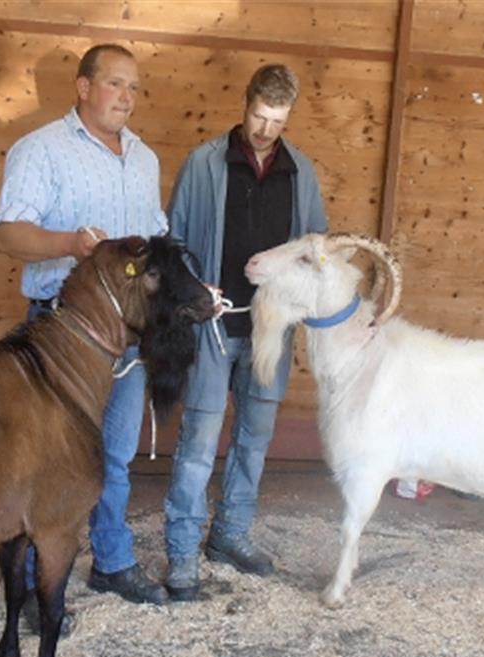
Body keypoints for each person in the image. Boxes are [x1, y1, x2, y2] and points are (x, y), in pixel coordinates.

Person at [0, 44, 171, 629]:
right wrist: (71, 244)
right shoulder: (41, 150)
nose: (127, 97)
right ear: (83, 87)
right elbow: (9, 234)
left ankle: (112, 562)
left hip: (126, 338)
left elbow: (155, 241)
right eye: (116, 84)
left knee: (112, 455)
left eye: (135, 88)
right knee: (47, 460)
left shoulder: (143, 159)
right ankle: (28, 582)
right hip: (61, 333)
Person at [162, 64, 328, 601]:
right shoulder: (205, 164)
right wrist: (194, 295)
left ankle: (230, 535)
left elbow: (315, 249)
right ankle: (183, 555)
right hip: (213, 327)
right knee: (198, 445)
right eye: (259, 116)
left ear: (288, 117)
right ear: (246, 103)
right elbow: (176, 244)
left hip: (268, 332)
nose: (265, 129)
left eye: (277, 121)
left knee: (254, 441)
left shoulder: (301, 172)